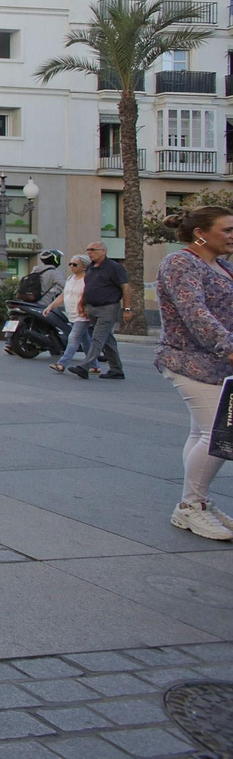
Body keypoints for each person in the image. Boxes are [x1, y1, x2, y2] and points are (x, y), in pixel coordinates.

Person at [156, 206, 233, 540]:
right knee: (220, 435)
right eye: (227, 230)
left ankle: (195, 503)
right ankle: (190, 506)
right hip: (191, 361)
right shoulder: (180, 262)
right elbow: (195, 313)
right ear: (201, 233)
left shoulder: (223, 266)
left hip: (217, 364)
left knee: (202, 434)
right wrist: (228, 346)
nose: (232, 236)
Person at [68, 241, 130, 380]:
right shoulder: (90, 268)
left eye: (93, 250)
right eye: (88, 250)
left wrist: (127, 309)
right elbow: (88, 287)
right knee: (107, 339)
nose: (90, 252)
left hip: (108, 307)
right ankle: (116, 370)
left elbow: (125, 287)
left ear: (103, 251)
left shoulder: (114, 267)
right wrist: (82, 304)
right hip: (92, 307)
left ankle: (84, 366)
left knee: (97, 338)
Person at [47, 255, 97, 375]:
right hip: (72, 313)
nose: (71, 266)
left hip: (83, 314)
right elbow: (64, 295)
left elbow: (89, 295)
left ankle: (62, 364)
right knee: (85, 341)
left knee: (73, 338)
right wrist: (51, 306)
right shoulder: (70, 279)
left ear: (84, 267)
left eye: (75, 264)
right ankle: (95, 365)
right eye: (70, 264)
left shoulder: (88, 279)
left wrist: (84, 306)